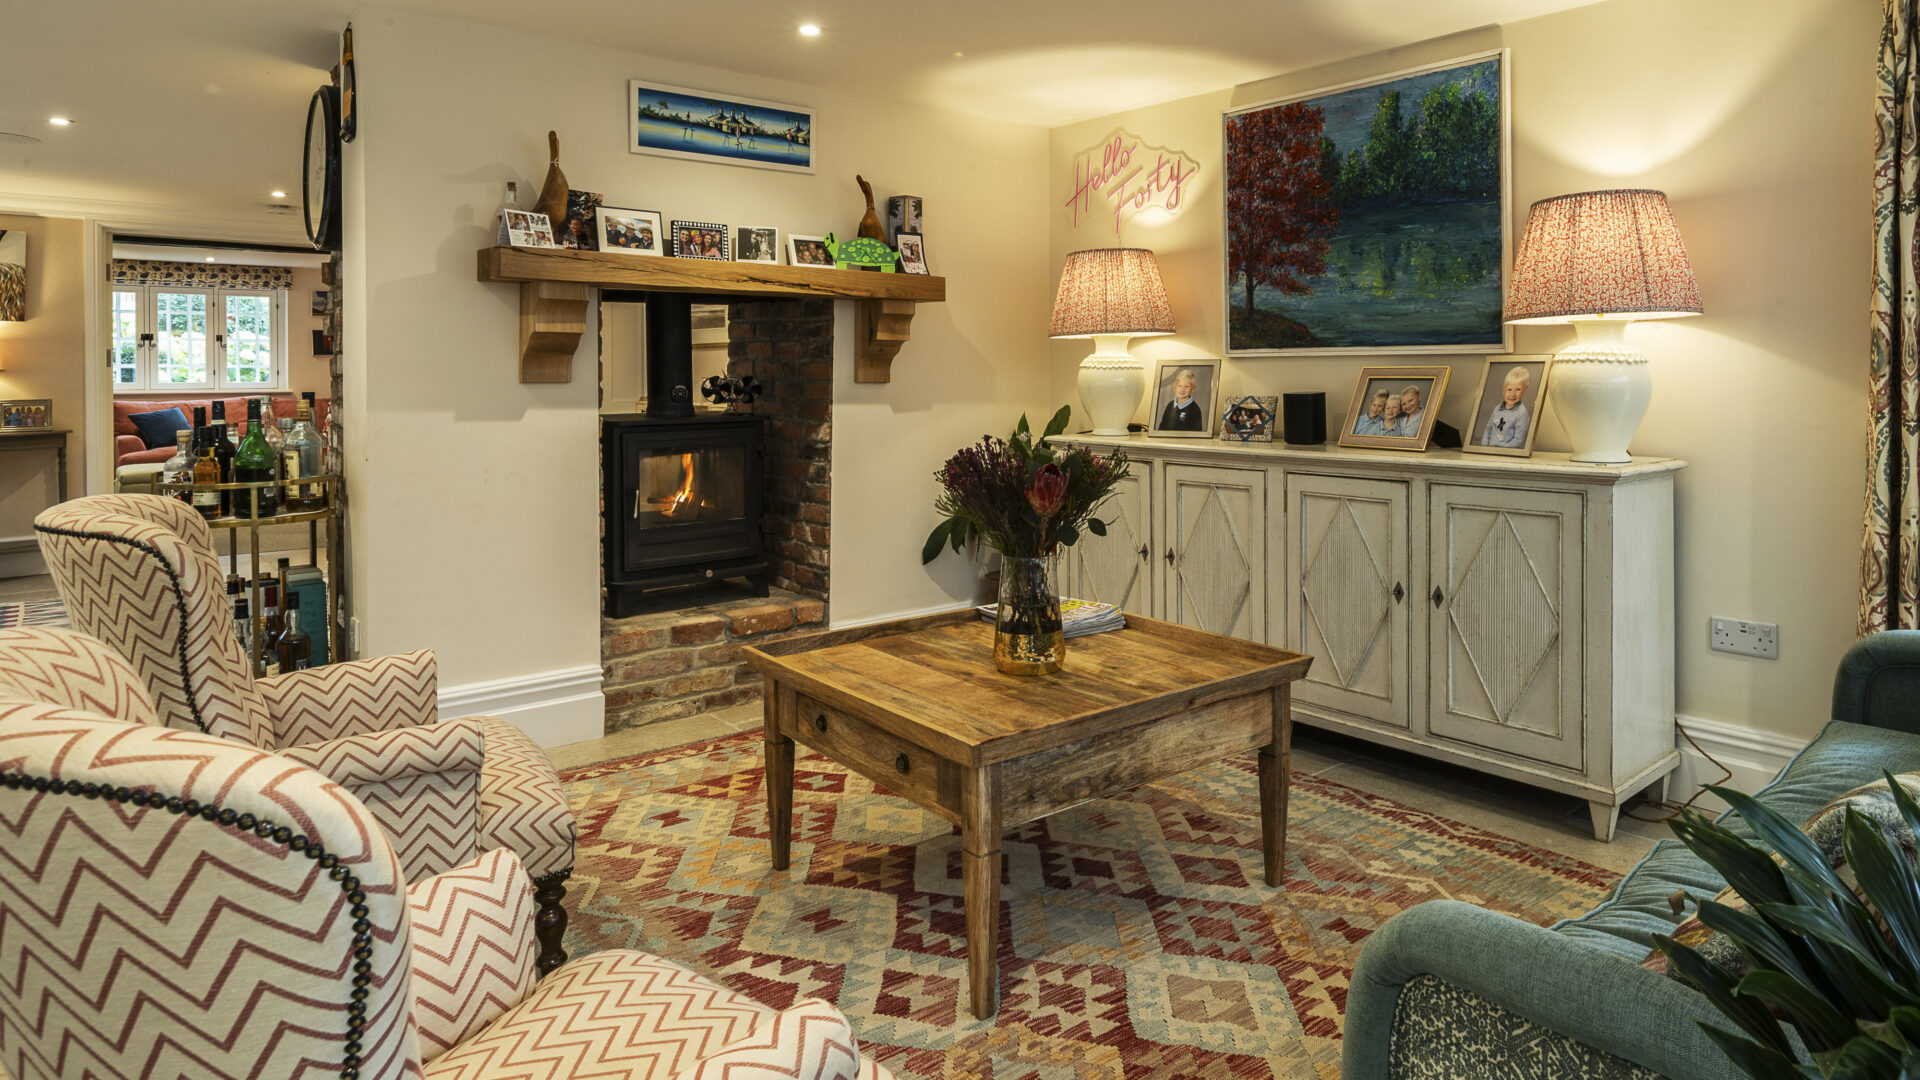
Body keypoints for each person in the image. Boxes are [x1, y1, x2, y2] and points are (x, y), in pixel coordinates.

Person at [1481, 365, 1533, 448]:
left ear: (1524, 390)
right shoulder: (1497, 409)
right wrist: (1484, 447)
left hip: (1507, 452)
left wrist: (1502, 450)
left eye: (1518, 389)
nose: (1512, 394)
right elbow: (1488, 429)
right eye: (1509, 389)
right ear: (1503, 390)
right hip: (1490, 450)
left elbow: (1518, 441)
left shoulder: (1522, 413)